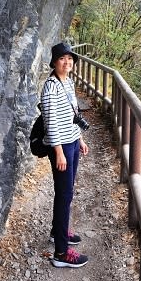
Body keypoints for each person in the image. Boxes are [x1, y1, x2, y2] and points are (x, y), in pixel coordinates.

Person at [41, 42, 90, 268]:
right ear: (54, 62)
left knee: (67, 192)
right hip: (60, 147)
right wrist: (59, 152)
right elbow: (50, 123)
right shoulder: (50, 87)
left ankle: (57, 231)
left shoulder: (68, 82)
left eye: (70, 59)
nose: (67, 62)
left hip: (71, 142)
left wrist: (79, 138)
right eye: (62, 58)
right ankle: (61, 253)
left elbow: (73, 114)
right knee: (64, 195)